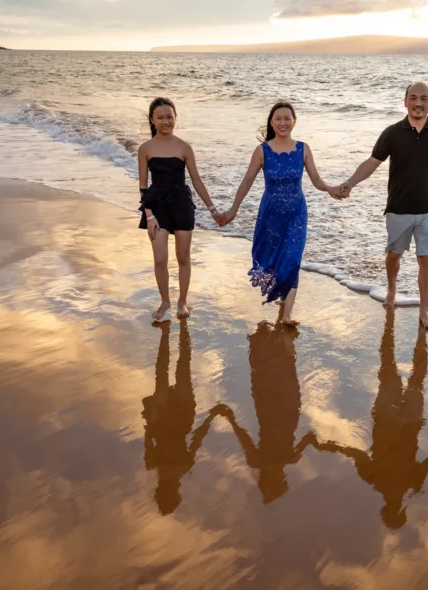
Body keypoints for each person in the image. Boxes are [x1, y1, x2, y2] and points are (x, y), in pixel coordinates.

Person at [336, 82, 428, 330]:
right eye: (413, 98)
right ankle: (392, 289)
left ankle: (424, 310)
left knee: (425, 259)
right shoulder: (392, 133)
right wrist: (350, 183)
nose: (418, 103)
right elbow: (372, 163)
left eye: (424, 98)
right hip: (398, 208)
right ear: (405, 102)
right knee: (394, 255)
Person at [313, 311, 428, 528]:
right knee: (399, 373)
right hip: (401, 422)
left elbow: (354, 453)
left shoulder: (385, 479)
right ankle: (401, 328)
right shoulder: (396, 480)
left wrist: (330, 445)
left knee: (403, 375)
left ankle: (395, 325)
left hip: (395, 420)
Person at [218, 101, 340, 327]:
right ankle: (282, 294)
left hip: (297, 213)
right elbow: (247, 180)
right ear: (272, 122)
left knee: (293, 258)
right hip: (271, 214)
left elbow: (316, 179)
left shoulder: (303, 149)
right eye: (278, 118)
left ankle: (287, 314)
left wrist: (330, 189)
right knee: (274, 259)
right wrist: (233, 209)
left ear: (294, 121)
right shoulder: (262, 150)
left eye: (287, 118)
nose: (283, 123)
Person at [210, 322, 317, 503]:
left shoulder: (291, 458)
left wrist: (315, 443)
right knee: (264, 375)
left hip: (288, 409)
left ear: (279, 478)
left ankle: (278, 332)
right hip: (268, 412)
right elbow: (243, 436)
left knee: (284, 370)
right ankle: (267, 332)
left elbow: (309, 437)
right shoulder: (258, 461)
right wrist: (229, 417)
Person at [138, 97, 220, 320]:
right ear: (152, 120)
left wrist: (213, 210)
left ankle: (182, 302)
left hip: (181, 203)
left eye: (169, 117)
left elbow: (197, 180)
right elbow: (143, 186)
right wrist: (149, 215)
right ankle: (165, 301)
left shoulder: (184, 147)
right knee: (160, 259)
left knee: (183, 257)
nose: (165, 121)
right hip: (156, 206)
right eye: (160, 117)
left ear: (175, 118)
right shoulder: (145, 149)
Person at [141, 322, 218, 515]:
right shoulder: (152, 464)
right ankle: (168, 332)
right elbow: (148, 434)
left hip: (182, 418)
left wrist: (211, 417)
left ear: (175, 491)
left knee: (183, 366)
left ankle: (182, 330)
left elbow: (197, 437)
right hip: (163, 418)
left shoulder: (183, 465)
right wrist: (150, 415)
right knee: (163, 371)